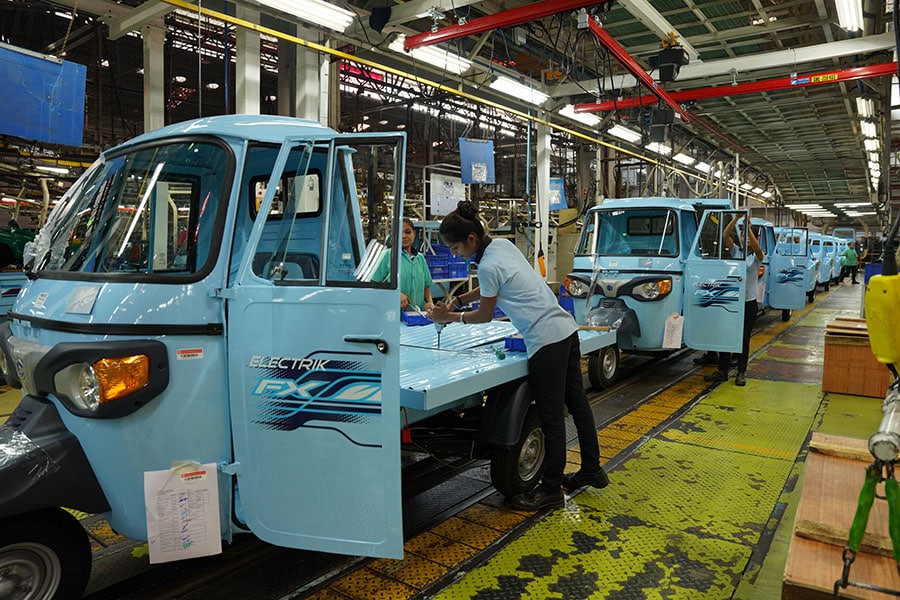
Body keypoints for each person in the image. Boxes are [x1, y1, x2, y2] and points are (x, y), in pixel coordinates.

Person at [428, 201, 607, 510]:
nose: (454, 254)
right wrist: (458, 300)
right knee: (578, 405)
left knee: (551, 418)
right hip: (565, 330)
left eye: (455, 247)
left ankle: (551, 489)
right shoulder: (500, 247)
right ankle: (592, 468)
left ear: (471, 240)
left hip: (545, 341)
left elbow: (485, 314)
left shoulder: (486, 265)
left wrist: (450, 318)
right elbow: (490, 289)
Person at [704, 216, 764, 387]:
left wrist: (749, 229)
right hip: (732, 301)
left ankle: (741, 372)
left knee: (743, 338)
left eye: (749, 237)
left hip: (748, 303)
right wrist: (737, 219)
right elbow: (724, 236)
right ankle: (722, 371)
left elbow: (758, 249)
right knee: (726, 335)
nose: (745, 239)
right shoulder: (737, 251)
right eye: (743, 236)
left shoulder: (757, 256)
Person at [373, 218, 434, 311]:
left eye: (408, 232)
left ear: (414, 233)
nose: (404, 236)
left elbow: (426, 286)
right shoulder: (387, 255)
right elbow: (374, 284)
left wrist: (430, 302)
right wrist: (396, 294)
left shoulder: (420, 258)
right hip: (394, 315)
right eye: (400, 233)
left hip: (417, 315)